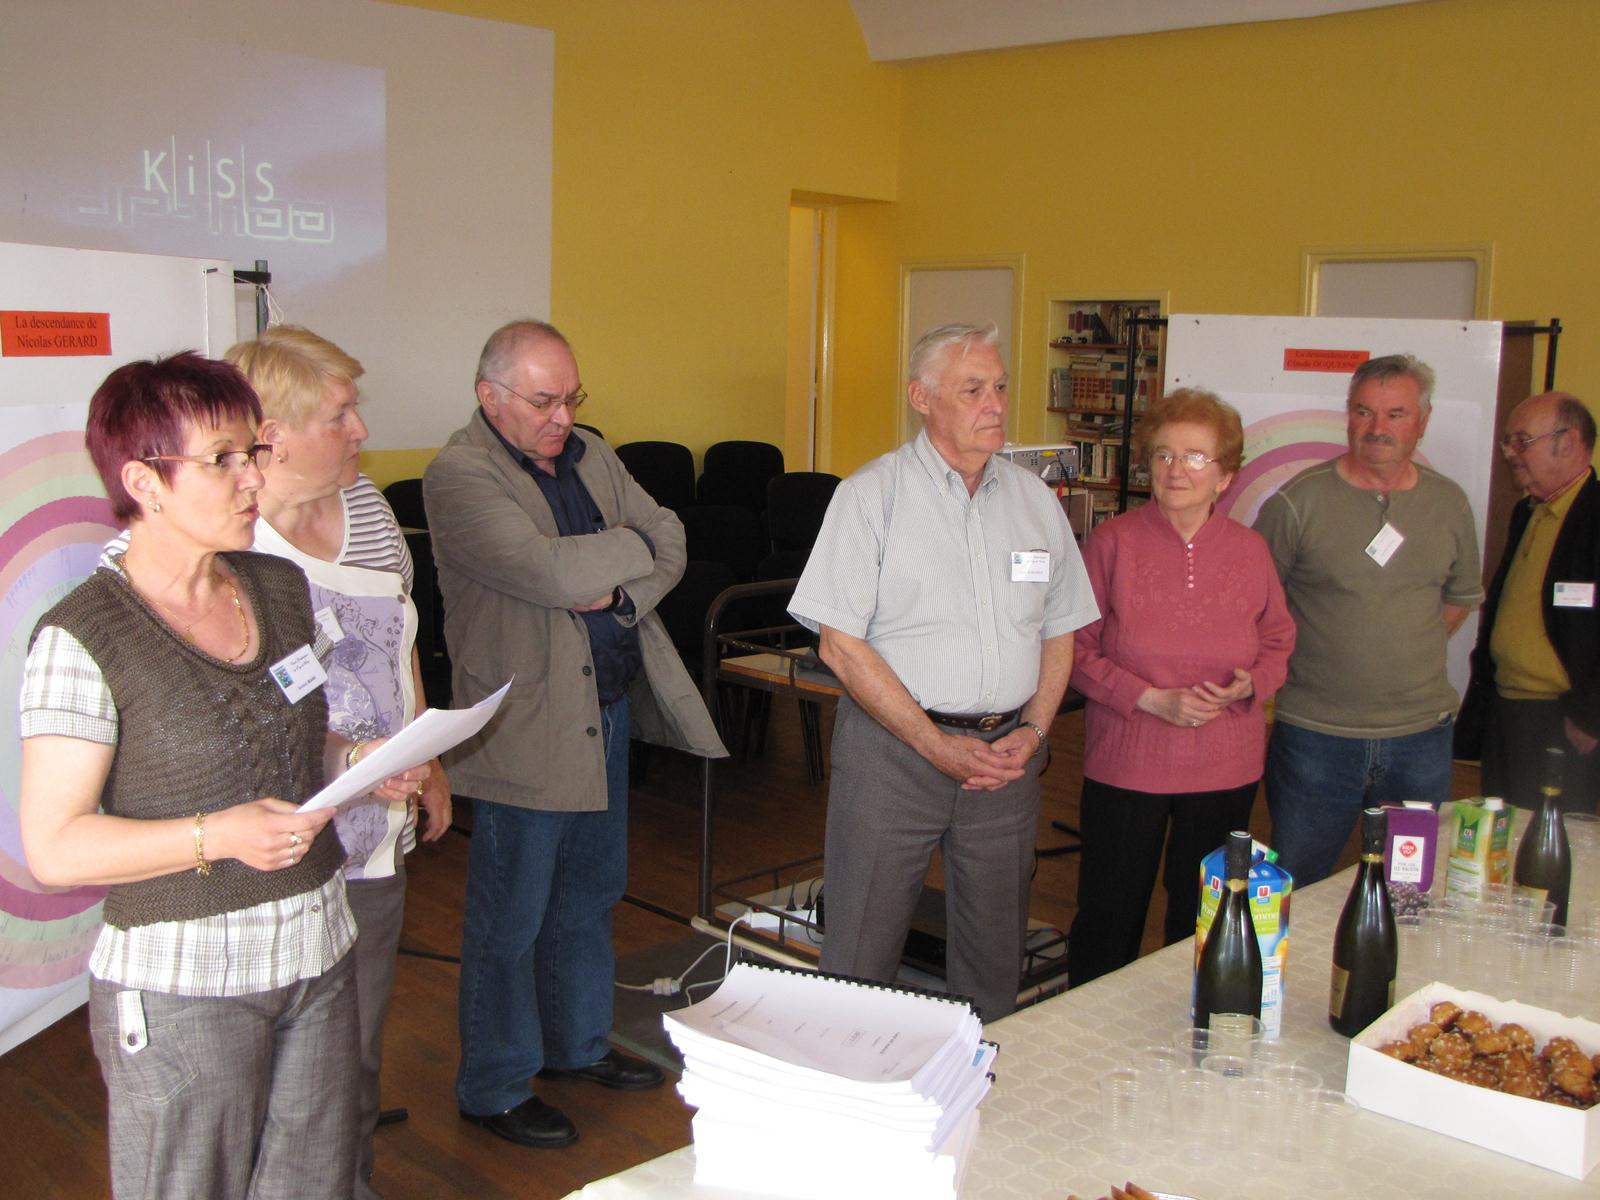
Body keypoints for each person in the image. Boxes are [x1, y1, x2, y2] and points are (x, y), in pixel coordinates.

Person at [18, 353, 425, 1200]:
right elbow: (55, 847)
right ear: (145, 481)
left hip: (317, 951)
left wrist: (359, 763)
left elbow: (295, 739)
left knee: (313, 1184)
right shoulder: (82, 637)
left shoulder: (277, 588)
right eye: (223, 459)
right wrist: (219, 834)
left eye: (254, 452)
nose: (253, 478)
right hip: (185, 983)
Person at [424, 319, 725, 1149]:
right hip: (525, 722)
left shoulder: (592, 454)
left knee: (590, 895)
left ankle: (576, 1045)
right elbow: (549, 573)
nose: (563, 416)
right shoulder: (459, 474)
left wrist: (620, 588)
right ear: (490, 397)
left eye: (572, 397)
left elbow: (671, 536)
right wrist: (625, 547)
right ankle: (494, 1086)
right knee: (511, 916)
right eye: (543, 401)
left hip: (605, 706)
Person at [789, 322, 1099, 1021]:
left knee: (994, 960)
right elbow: (840, 645)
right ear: (921, 398)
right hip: (893, 755)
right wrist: (934, 744)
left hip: (1004, 762)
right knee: (860, 951)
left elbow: (1061, 626)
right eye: (973, 390)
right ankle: (845, 1078)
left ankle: (980, 1076)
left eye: (1000, 387)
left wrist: (1034, 733)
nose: (996, 404)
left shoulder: (1033, 500)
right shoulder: (871, 496)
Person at [228, 325, 453, 1197]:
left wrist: (429, 755)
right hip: (270, 849)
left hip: (372, 831)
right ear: (273, 436)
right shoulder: (230, 540)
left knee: (355, 1052)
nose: (361, 430)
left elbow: (399, 641)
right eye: (340, 415)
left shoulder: (367, 509)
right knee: (271, 1073)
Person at [1066, 389, 1294, 986]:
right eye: (1163, 454)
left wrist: (1250, 684)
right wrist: (1149, 698)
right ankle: (1091, 1024)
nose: (1175, 470)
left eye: (1195, 457)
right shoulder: (1111, 544)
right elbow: (1073, 649)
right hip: (1127, 764)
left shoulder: (1251, 551)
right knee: (1109, 914)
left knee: (1205, 919)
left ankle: (1192, 1022)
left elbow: (1278, 640)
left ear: (1225, 475)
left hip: (1224, 767)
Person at [1254, 353, 1483, 887]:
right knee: (1299, 883)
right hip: (1316, 736)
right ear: (1348, 415)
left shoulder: (1449, 504)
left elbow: (1459, 597)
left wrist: (1399, 651)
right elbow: (1258, 604)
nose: (1377, 428)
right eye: (1364, 411)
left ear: (1423, 420)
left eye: (1395, 414)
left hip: (1420, 738)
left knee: (1410, 888)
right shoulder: (1297, 503)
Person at [1459, 392, 1600, 813]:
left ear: (1568, 441)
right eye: (1508, 441)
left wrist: (1591, 716)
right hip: (1508, 712)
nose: (1509, 453)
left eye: (1522, 441)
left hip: (1566, 722)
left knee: (1554, 840)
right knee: (1505, 834)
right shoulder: (1528, 511)